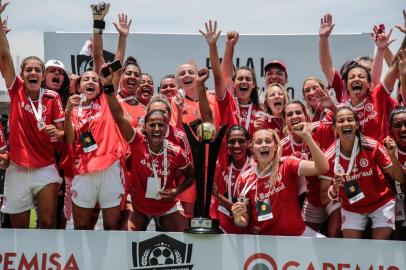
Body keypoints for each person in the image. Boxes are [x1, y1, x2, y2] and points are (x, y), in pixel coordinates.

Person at [0, 2, 65, 229]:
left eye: (38, 69)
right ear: (22, 74)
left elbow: (62, 133)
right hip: (17, 167)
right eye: (29, 69)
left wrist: (56, 132)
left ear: (43, 74)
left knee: (47, 222)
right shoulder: (16, 89)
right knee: (19, 227)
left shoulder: (52, 98)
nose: (34, 73)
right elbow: (5, 55)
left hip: (45, 167)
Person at [103, 78, 195, 231]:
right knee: (126, 233)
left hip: (167, 205)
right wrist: (107, 86)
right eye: (152, 125)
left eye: (161, 125)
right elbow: (118, 116)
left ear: (167, 125)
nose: (157, 129)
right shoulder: (137, 140)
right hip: (139, 205)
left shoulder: (175, 150)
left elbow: (191, 175)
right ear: (144, 126)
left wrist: (176, 191)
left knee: (184, 236)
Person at [320, 107, 405, 240]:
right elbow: (325, 196)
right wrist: (335, 188)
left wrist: (393, 156)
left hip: (381, 203)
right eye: (341, 121)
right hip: (352, 208)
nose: (346, 123)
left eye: (350, 120)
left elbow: (400, 178)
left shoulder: (372, 146)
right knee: (353, 250)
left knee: (380, 245)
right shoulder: (329, 157)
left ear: (357, 125)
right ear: (334, 127)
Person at [231, 125, 329, 236]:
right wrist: (238, 217)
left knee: (326, 247)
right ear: (252, 148)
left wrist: (307, 137)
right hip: (265, 241)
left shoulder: (287, 164)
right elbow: (243, 222)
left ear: (276, 146)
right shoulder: (245, 179)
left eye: (268, 141)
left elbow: (322, 167)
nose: (263, 145)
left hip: (297, 234)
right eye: (259, 142)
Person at [64, 69, 124, 230]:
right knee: (81, 227)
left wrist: (122, 42)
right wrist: (68, 111)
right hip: (83, 171)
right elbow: (70, 139)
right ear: (79, 87)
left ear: (99, 87)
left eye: (94, 80)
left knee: (112, 227)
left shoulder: (105, 100)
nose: (90, 81)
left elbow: (103, 59)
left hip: (109, 169)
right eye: (85, 79)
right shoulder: (73, 110)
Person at [281, 100, 340, 237]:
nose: (294, 116)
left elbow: (345, 119)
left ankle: (336, 258)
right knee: (304, 236)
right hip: (311, 198)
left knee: (334, 232)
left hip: (334, 191)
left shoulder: (321, 129)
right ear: (285, 120)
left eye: (298, 112)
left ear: (306, 115)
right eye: (289, 114)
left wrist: (331, 105)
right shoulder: (282, 147)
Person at [211, 125, 254, 233]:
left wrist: (219, 197)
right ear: (226, 144)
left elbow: (242, 211)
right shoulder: (223, 159)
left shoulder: (256, 169)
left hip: (245, 228)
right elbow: (208, 117)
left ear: (249, 143)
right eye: (232, 141)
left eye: (241, 141)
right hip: (220, 226)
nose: (236, 145)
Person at [386, 106, 406, 240]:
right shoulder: (385, 149)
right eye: (397, 126)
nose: (403, 129)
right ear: (391, 130)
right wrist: (392, 156)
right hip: (394, 206)